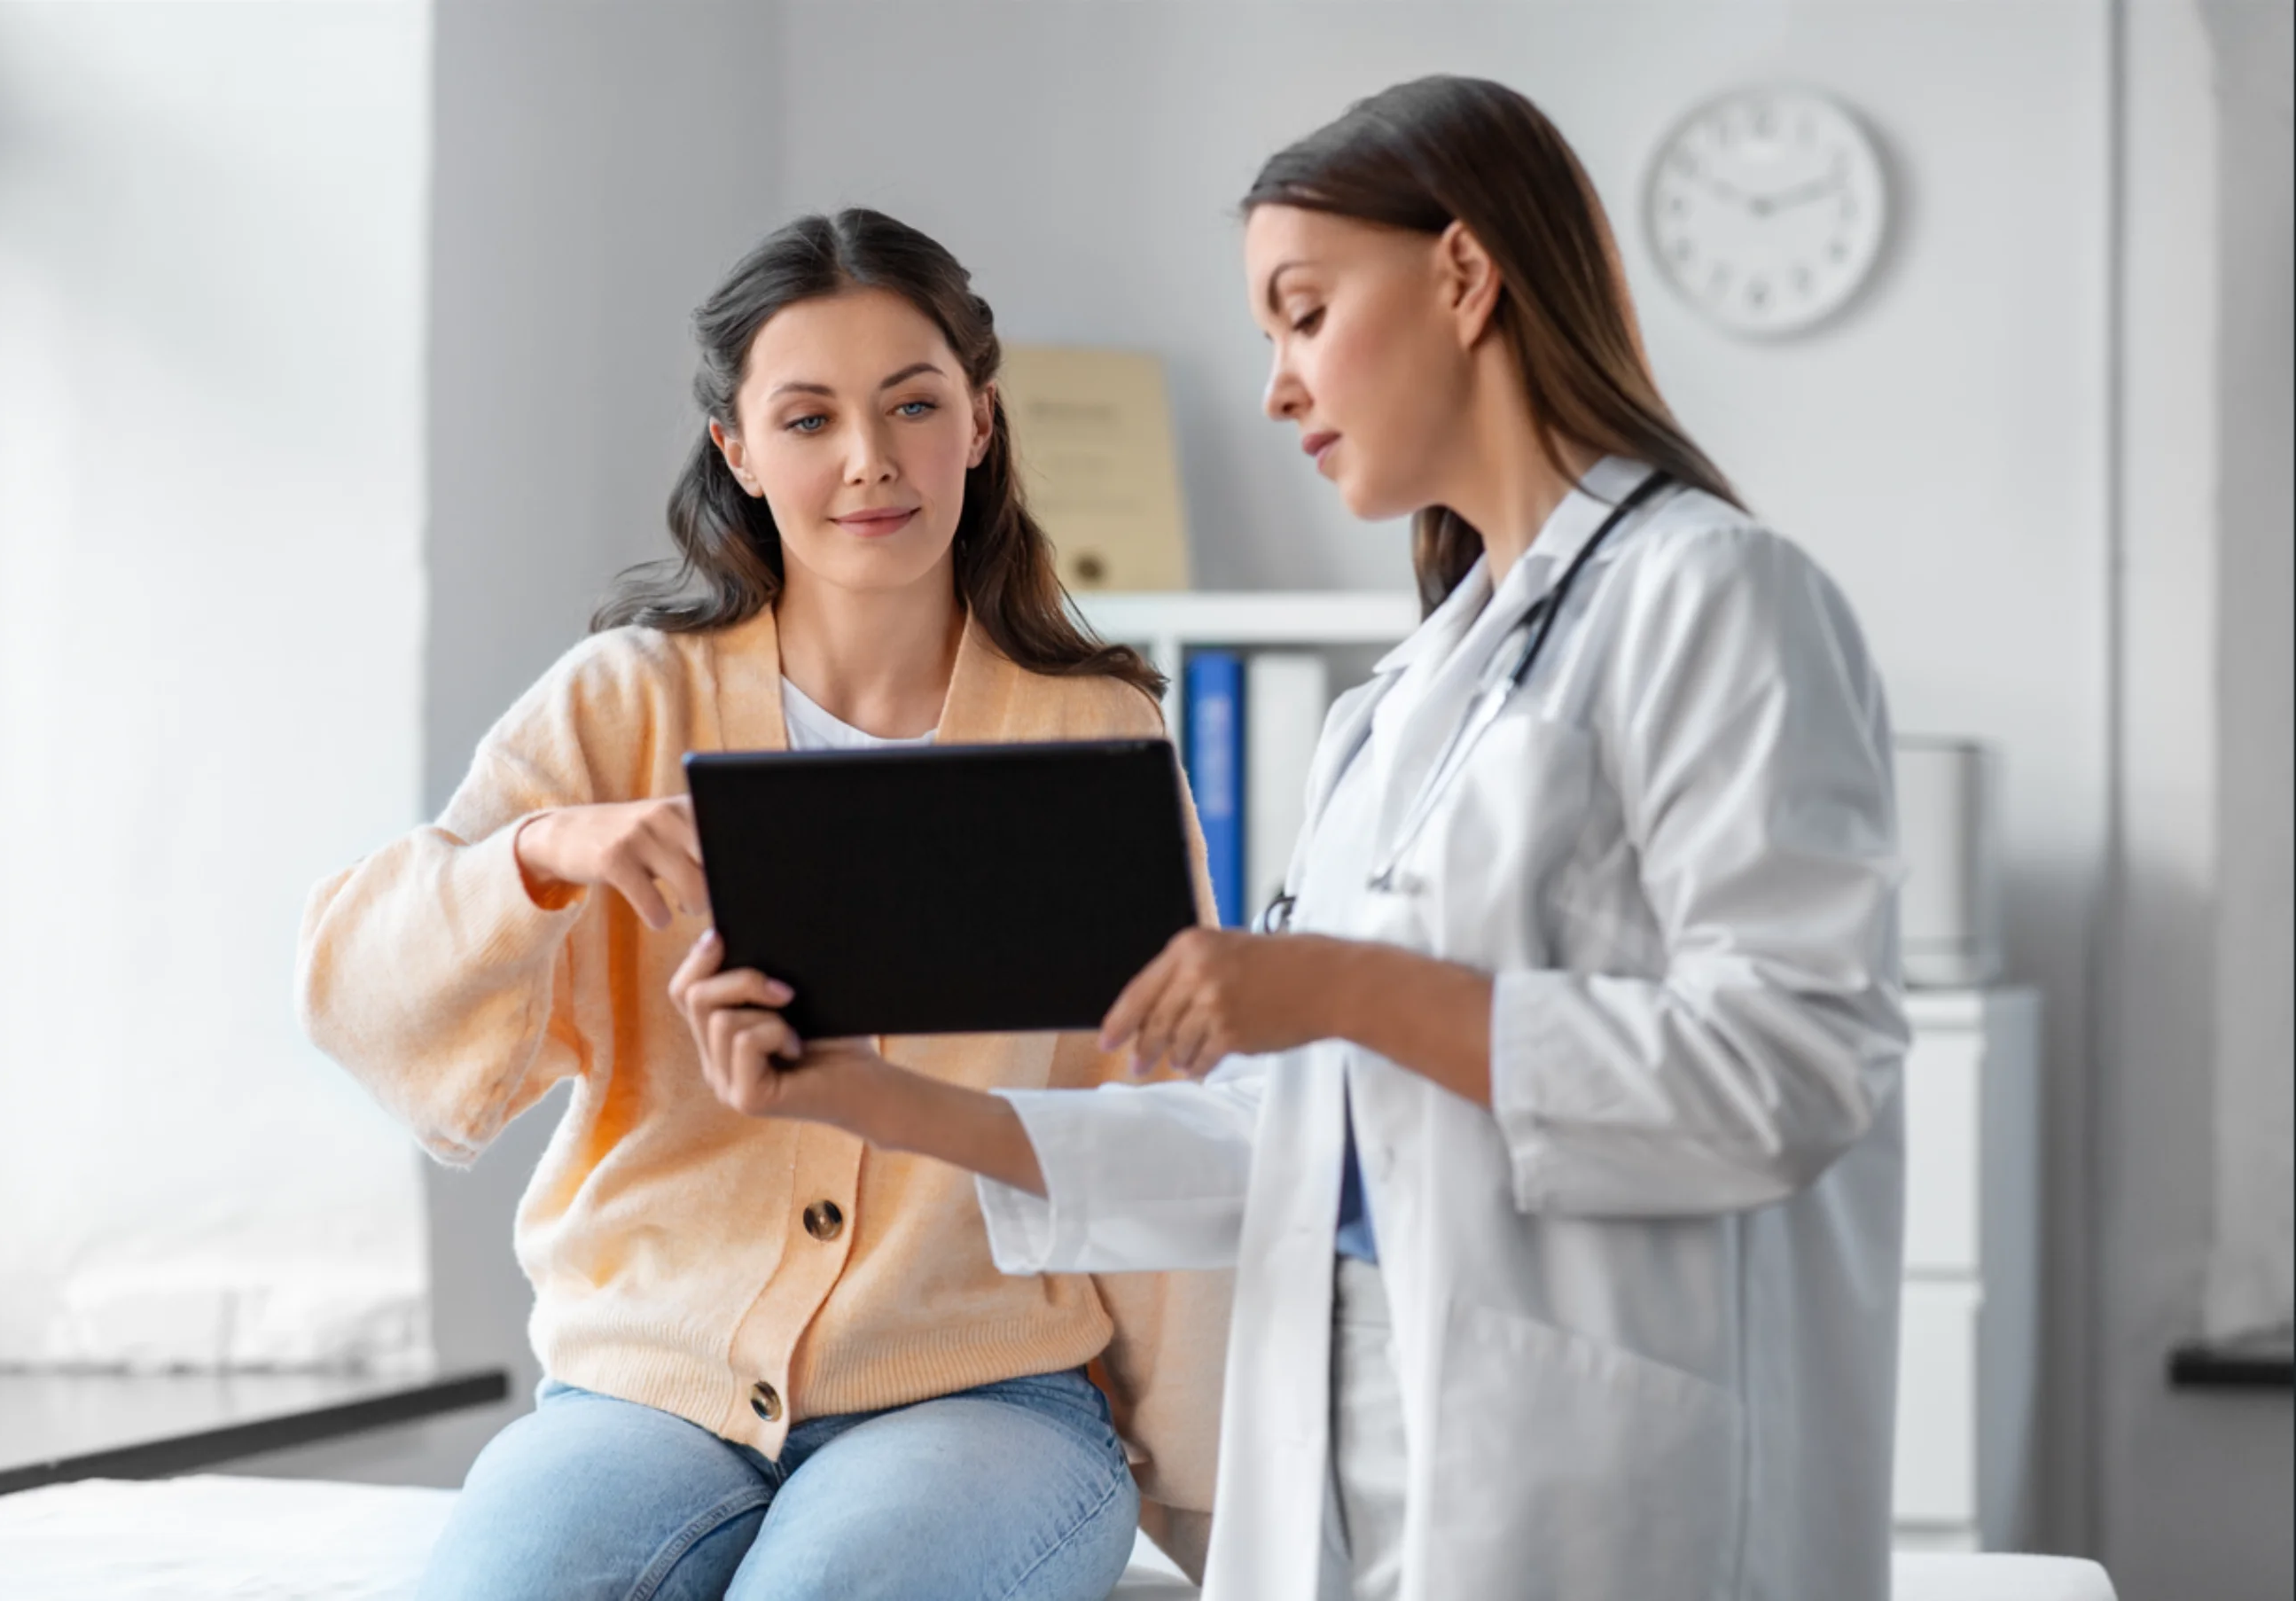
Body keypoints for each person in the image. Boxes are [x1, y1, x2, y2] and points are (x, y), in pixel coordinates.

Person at [670, 78, 1909, 1601]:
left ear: (1463, 277)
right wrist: (886, 1098)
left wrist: (1338, 988)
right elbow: (1278, 1144)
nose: (1276, 385)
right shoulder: (1395, 706)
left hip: (1594, 1476)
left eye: (1304, 313)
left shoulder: (1714, 596)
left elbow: (1794, 1069)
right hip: (1364, 1457)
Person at [297, 208, 1225, 1601]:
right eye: (808, 418)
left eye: (914, 404)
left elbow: (1158, 1123)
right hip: (645, 1391)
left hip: (984, 1399)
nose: (870, 459)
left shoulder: (1093, 732)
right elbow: (357, 991)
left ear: (980, 421)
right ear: (737, 448)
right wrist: (543, 853)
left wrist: (1220, 1502)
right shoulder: (623, 699)